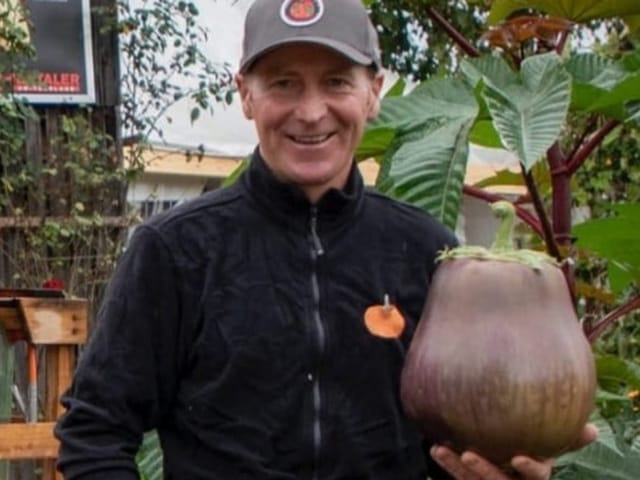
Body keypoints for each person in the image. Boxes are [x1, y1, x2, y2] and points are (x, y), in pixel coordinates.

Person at [54, 0, 597, 478]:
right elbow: (95, 433)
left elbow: (458, 438)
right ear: (245, 95)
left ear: (373, 92)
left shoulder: (432, 256)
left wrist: (505, 461)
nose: (311, 112)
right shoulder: (175, 252)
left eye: (337, 81)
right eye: (284, 83)